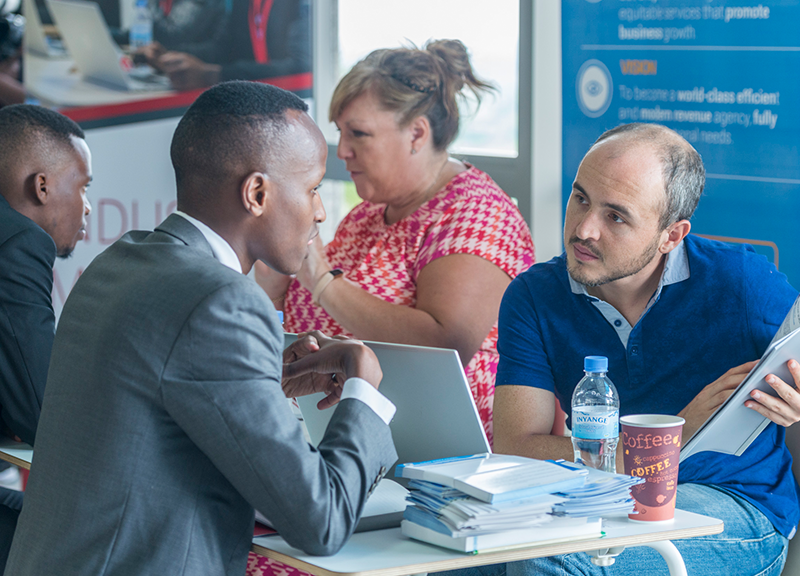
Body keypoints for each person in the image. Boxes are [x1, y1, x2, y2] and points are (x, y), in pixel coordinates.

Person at [4, 81, 398, 576]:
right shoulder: (225, 301)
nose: (320, 211)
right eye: (314, 188)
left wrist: (263, 383)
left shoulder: (119, 261)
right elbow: (320, 521)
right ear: (257, 193)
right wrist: (363, 391)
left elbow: (147, 414)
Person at [479, 123, 800, 576]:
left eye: (616, 216)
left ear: (671, 235)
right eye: (581, 197)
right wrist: (665, 442)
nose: (584, 228)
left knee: (555, 558)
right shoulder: (535, 295)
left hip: (732, 507)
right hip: (599, 495)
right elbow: (517, 448)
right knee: (458, 553)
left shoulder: (739, 282)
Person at [256, 40, 535, 443]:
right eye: (340, 133)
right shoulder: (368, 215)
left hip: (440, 460)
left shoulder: (476, 214)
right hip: (339, 440)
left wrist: (320, 279)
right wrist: (274, 277)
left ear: (416, 134)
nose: (343, 151)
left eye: (359, 134)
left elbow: (443, 347)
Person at [0, 104, 91, 570]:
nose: (88, 206)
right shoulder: (19, 242)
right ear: (42, 186)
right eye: (84, 187)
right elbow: (45, 413)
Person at [145, 0, 310, 90]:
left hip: (292, 103)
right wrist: (172, 56)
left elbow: (300, 66)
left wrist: (214, 75)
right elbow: (224, 48)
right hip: (254, 100)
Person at [117, 0, 225, 59]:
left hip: (196, 73)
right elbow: (151, 29)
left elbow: (173, 35)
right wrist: (108, 35)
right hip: (166, 67)